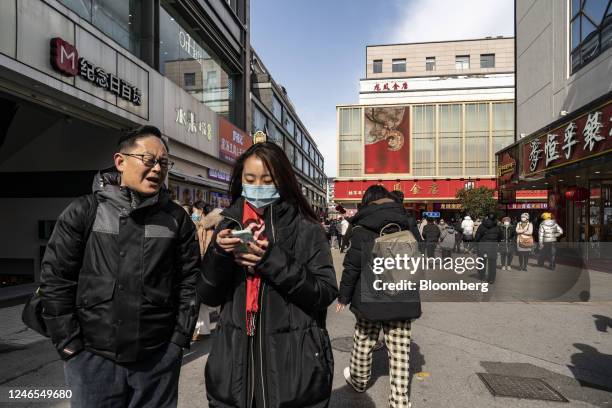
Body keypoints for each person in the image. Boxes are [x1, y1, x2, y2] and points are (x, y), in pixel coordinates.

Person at [39, 125, 199, 407]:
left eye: (163, 162)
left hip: (157, 359)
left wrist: (177, 341)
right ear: (120, 161)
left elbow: (189, 282)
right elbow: (55, 280)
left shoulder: (177, 219)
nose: (157, 169)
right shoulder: (84, 211)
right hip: (92, 358)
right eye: (148, 160)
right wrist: (69, 345)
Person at [197, 142, 338, 408]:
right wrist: (218, 253)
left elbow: (324, 293)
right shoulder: (228, 225)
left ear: (283, 180)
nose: (258, 186)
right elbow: (207, 294)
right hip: (233, 362)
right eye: (250, 179)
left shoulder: (307, 228)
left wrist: (271, 260)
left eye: (267, 179)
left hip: (292, 363)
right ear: (240, 180)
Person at [338, 185, 420, 408]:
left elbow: (352, 266)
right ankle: (400, 400)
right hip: (403, 293)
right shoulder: (408, 221)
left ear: (368, 201)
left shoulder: (362, 227)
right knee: (400, 351)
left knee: (363, 342)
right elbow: (420, 253)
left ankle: (359, 381)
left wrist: (343, 296)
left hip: (370, 296)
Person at [475, 213, 502, 284]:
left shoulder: (481, 226)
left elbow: (477, 237)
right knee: (492, 264)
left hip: (482, 246)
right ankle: (491, 279)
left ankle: (481, 276)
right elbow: (500, 237)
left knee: (482, 262)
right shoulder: (497, 227)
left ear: (487, 217)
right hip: (493, 247)